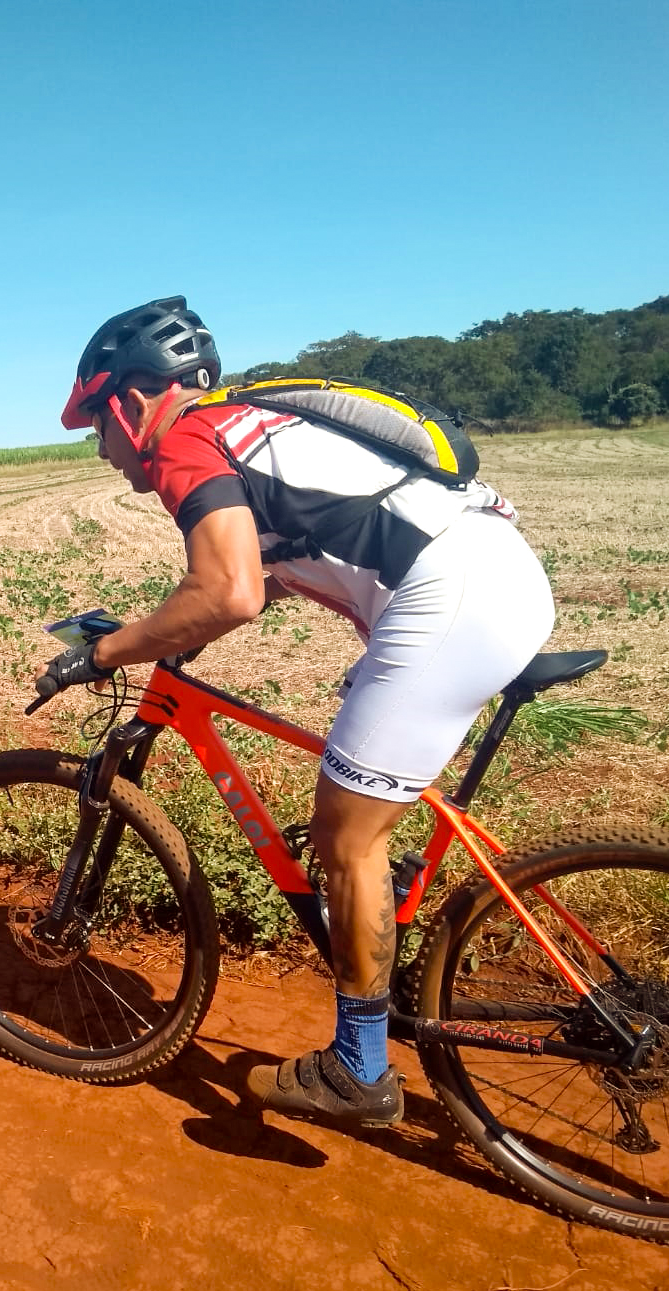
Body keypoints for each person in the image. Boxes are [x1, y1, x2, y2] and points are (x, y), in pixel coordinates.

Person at [49, 296, 555, 1128]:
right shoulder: (243, 425)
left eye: (97, 426)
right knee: (361, 811)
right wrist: (165, 631)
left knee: (346, 836)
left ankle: (359, 1070)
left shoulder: (184, 438)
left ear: (132, 404)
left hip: (455, 598)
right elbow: (263, 574)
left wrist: (103, 654)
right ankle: (374, 922)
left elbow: (229, 591)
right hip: (488, 576)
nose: (102, 450)